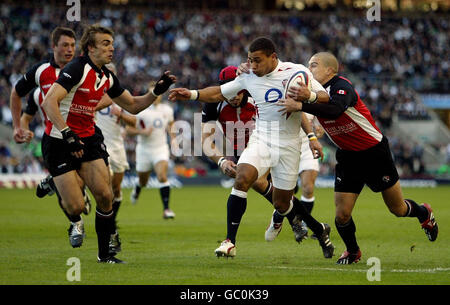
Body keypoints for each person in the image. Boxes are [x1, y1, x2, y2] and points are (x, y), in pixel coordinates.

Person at [169, 37, 334, 259]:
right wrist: (191, 94)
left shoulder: (296, 72)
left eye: (257, 61)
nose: (253, 66)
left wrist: (310, 99)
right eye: (250, 60)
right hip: (261, 139)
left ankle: (319, 229)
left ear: (272, 57)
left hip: (289, 145)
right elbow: (219, 92)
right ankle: (229, 242)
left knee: (282, 203)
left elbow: (326, 97)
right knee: (243, 178)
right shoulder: (247, 77)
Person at [276, 52, 439, 264]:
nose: (309, 69)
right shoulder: (312, 92)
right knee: (341, 215)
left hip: (374, 152)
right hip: (348, 157)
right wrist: (313, 133)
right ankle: (353, 252)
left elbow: (334, 109)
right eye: (308, 65)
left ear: (329, 70)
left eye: (314, 65)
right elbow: (313, 115)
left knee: (397, 209)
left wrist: (302, 104)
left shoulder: (342, 86)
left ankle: (423, 213)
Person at [41, 24, 176, 264]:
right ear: (90, 48)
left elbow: (133, 105)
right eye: (105, 44)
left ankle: (105, 256)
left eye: (112, 43)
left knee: (106, 196)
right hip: (60, 140)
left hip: (89, 139)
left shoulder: (107, 76)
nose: (111, 48)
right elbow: (49, 102)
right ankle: (56, 182)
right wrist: (67, 132)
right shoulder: (77, 68)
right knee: (75, 207)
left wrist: (157, 90)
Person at [202, 66, 318, 243]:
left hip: (276, 143)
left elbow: (295, 111)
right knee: (266, 189)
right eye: (229, 92)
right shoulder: (213, 103)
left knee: (280, 194)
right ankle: (305, 223)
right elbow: (205, 140)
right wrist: (222, 162)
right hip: (246, 150)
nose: (233, 97)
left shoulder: (258, 94)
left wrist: (311, 135)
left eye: (237, 91)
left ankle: (288, 218)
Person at [10, 27, 91, 248]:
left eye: (73, 46)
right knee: (74, 202)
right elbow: (17, 95)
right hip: (55, 140)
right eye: (64, 45)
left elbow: (102, 96)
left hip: (83, 135)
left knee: (86, 185)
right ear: (53, 46)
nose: (69, 50)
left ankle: (56, 183)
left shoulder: (83, 70)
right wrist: (19, 127)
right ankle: (75, 222)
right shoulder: (40, 76)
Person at [95, 63, 137, 254]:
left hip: (117, 147)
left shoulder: (119, 95)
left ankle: (111, 221)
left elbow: (135, 120)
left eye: (112, 71)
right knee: (107, 188)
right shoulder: (90, 90)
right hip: (98, 146)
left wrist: (121, 114)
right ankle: (110, 230)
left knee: (116, 190)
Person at [127, 88, 176, 219]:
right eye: (154, 93)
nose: (156, 96)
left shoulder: (167, 110)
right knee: (143, 181)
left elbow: (171, 124)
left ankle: (166, 209)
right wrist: (141, 132)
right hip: (144, 150)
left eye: (159, 93)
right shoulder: (140, 110)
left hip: (160, 148)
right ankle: (137, 188)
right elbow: (128, 129)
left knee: (162, 176)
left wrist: (174, 139)